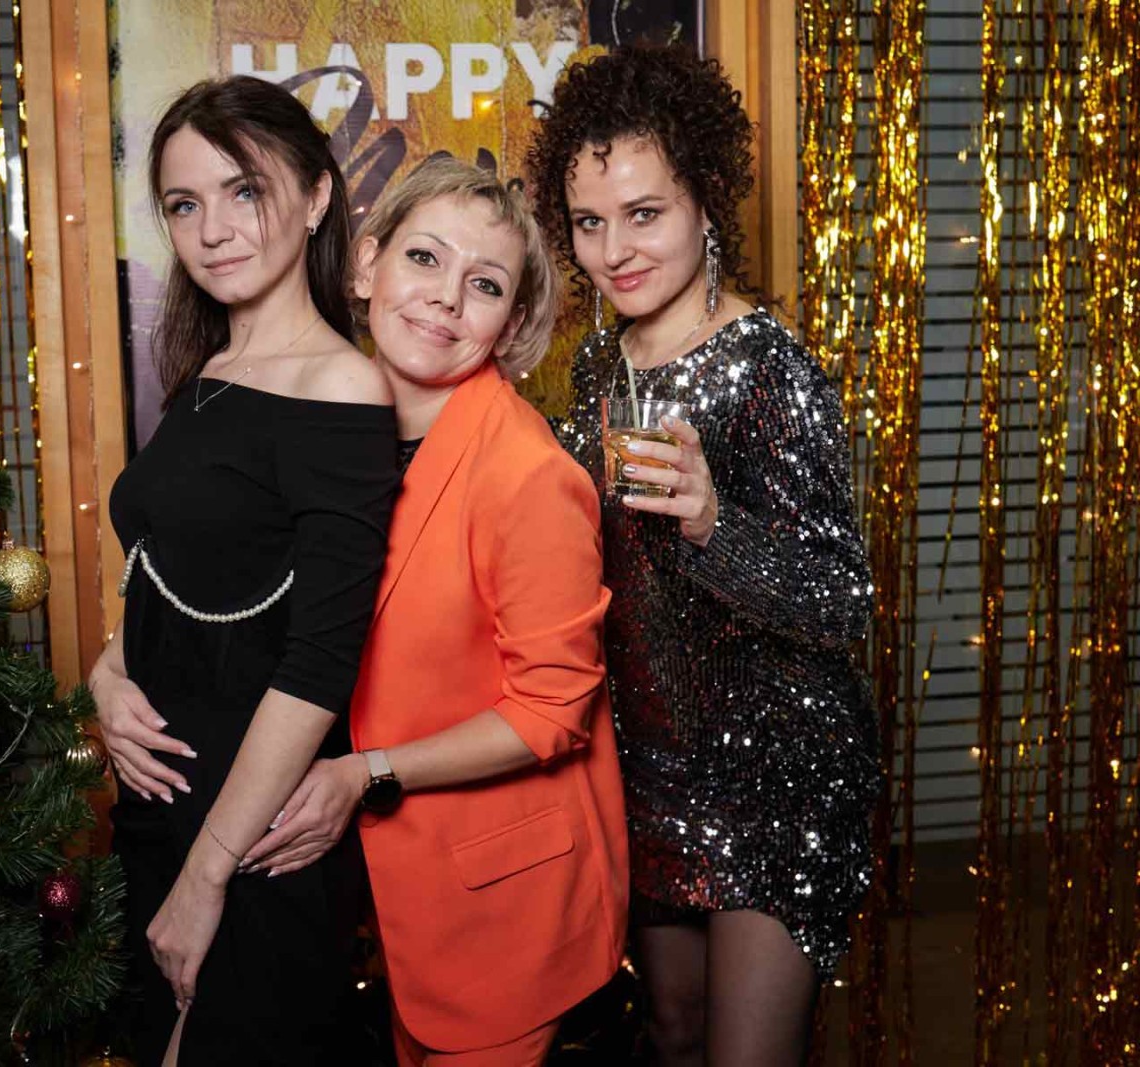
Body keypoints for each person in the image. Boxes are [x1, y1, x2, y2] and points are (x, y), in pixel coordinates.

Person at [527, 44, 878, 1066]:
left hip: (779, 776)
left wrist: (714, 523)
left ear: (705, 201)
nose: (614, 251)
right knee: (673, 1031)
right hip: (650, 767)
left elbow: (842, 601)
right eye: (589, 222)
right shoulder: (599, 362)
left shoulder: (770, 367)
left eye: (644, 213)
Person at [242, 157, 629, 1066]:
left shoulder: (528, 474)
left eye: (485, 284)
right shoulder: (330, 434)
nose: (446, 298)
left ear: (513, 325)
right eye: (424, 258)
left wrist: (365, 773)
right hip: (381, 906)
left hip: (504, 908)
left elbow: (551, 711)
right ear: (366, 265)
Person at [93, 76, 398, 1065]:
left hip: (248, 835)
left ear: (315, 197)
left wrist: (208, 874)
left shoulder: (343, 391)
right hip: (162, 807)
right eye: (184, 204)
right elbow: (180, 576)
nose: (213, 231)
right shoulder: (207, 376)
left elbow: (318, 660)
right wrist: (107, 672)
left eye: (244, 191)